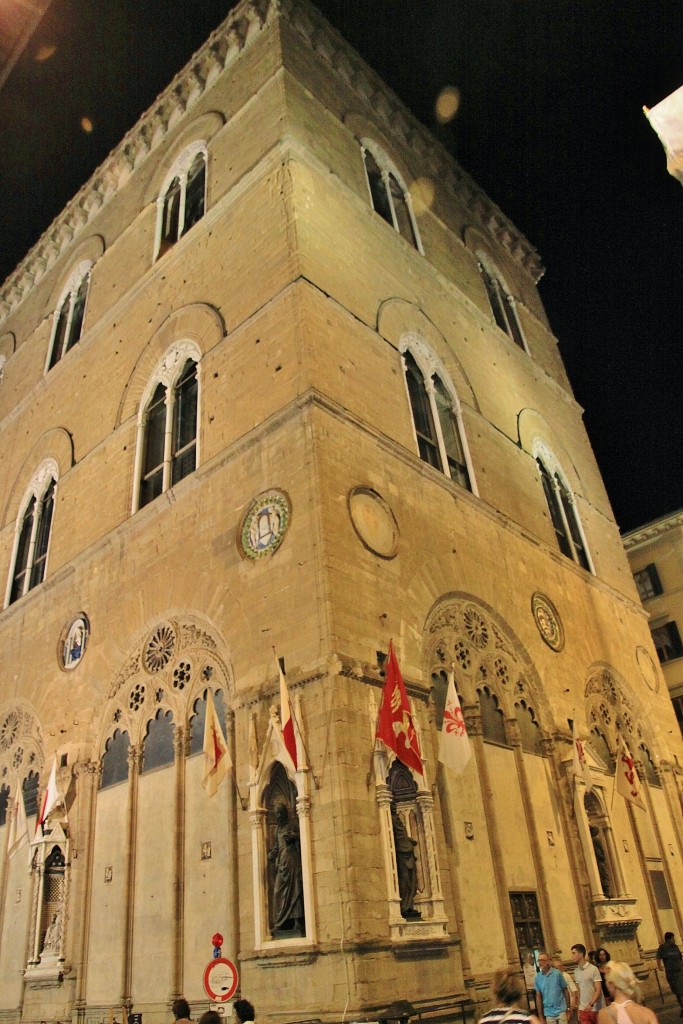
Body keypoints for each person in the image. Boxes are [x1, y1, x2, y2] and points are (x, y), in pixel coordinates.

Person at [268, 802, 304, 933]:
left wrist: (295, 837)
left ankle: (298, 921)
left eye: (280, 813)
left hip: (293, 860)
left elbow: (302, 836)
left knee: (295, 889)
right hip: (282, 864)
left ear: (285, 813)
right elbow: (277, 847)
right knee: (278, 891)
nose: (278, 816)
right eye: (276, 813)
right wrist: (272, 853)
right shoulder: (277, 830)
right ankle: (281, 922)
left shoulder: (293, 824)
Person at [391, 805, 420, 919]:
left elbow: (402, 835)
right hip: (401, 854)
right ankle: (404, 905)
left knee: (412, 881)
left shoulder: (397, 820)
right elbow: (397, 837)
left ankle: (408, 905)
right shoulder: (392, 820)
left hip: (407, 852)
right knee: (404, 880)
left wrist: (409, 841)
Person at [572, 943, 605, 1024]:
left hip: (595, 1008)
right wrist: (578, 1008)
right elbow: (579, 990)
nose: (572, 956)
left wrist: (591, 1004)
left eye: (574, 953)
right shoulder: (576, 971)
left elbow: (598, 989)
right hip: (583, 1009)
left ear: (581, 954)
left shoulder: (593, 969)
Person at [535, 951, 570, 1024]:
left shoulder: (557, 973)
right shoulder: (538, 977)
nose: (540, 962)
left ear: (548, 961)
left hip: (561, 1010)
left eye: (543, 960)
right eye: (539, 960)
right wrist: (540, 1015)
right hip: (548, 1012)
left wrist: (568, 1008)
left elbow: (565, 990)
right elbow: (538, 996)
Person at [655, 932, 683, 1013]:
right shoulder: (663, 947)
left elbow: (680, 957)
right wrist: (659, 966)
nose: (674, 940)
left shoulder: (675, 947)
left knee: (681, 991)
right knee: (677, 992)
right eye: (673, 939)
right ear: (668, 939)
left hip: (679, 973)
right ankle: (682, 1006)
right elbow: (658, 957)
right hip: (671, 974)